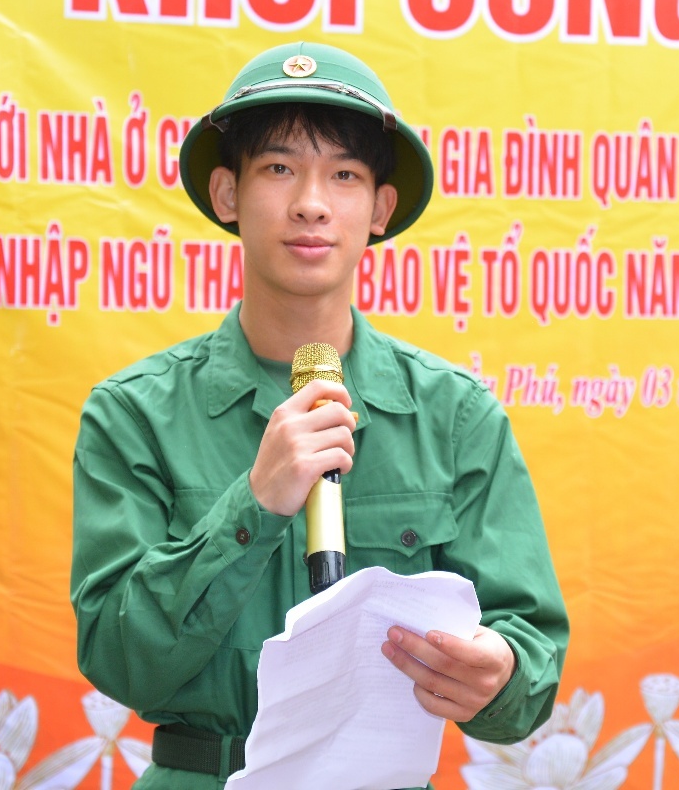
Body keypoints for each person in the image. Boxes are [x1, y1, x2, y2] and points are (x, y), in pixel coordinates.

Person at [70, 42, 568, 790]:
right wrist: (254, 503)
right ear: (228, 194)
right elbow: (119, 660)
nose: (311, 202)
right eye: (278, 168)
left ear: (380, 209)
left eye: (344, 175)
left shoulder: (455, 416)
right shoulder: (134, 413)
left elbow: (529, 663)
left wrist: (498, 673)